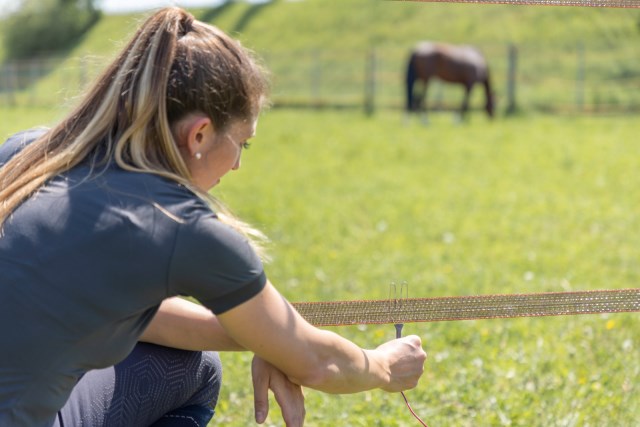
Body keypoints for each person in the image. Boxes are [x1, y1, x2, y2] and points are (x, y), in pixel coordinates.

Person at [0, 7, 426, 427]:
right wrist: (384, 365)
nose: (238, 164)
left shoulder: (30, 152)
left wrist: (268, 338)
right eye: (243, 143)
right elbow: (318, 362)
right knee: (198, 373)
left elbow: (128, 313)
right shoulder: (179, 225)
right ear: (199, 134)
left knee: (192, 362)